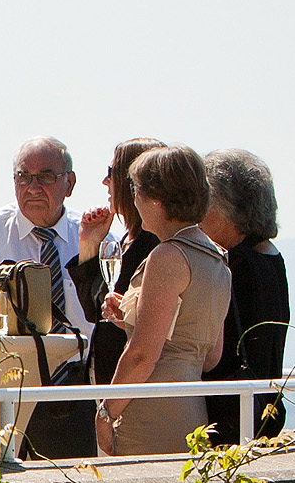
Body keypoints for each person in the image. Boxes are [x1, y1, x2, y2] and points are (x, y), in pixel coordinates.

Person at [0, 135, 94, 458]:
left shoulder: (91, 236)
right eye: (23, 177)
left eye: (45, 176)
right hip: (7, 388)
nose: (32, 187)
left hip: (77, 387)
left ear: (69, 183)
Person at [96, 145, 232, 457]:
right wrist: (130, 317)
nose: (134, 199)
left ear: (155, 198)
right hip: (192, 414)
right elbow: (210, 354)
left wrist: (106, 412)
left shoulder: (168, 256)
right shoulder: (217, 258)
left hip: (149, 414)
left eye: (135, 189)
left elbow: (143, 355)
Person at [201, 148, 291, 443]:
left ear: (228, 208)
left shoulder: (237, 265)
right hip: (262, 410)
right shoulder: (269, 258)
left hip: (229, 418)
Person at [71, 137, 164, 385]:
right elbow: (95, 312)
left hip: (134, 390)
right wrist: (89, 243)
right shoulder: (126, 242)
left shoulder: (156, 246)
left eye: (111, 173)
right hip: (110, 385)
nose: (105, 182)